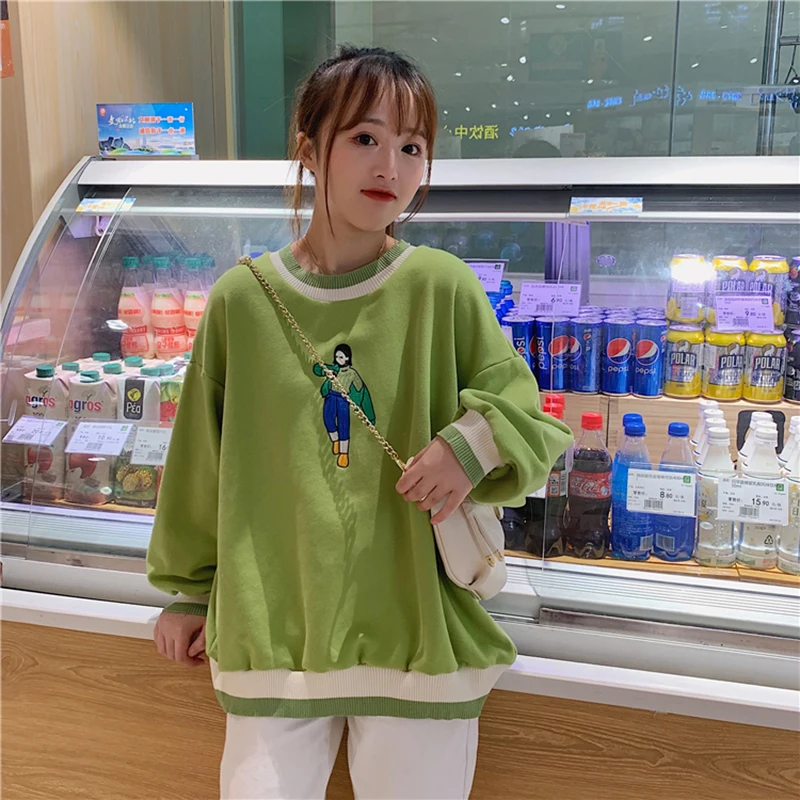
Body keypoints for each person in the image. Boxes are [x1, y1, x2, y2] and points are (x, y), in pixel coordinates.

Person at [147, 45, 573, 800]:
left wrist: (467, 448)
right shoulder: (241, 300)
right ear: (310, 150)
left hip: (414, 633)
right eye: (365, 137)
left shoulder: (440, 286)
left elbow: (528, 414)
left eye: (412, 146)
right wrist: (187, 592)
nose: (390, 167)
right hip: (275, 631)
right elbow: (199, 465)